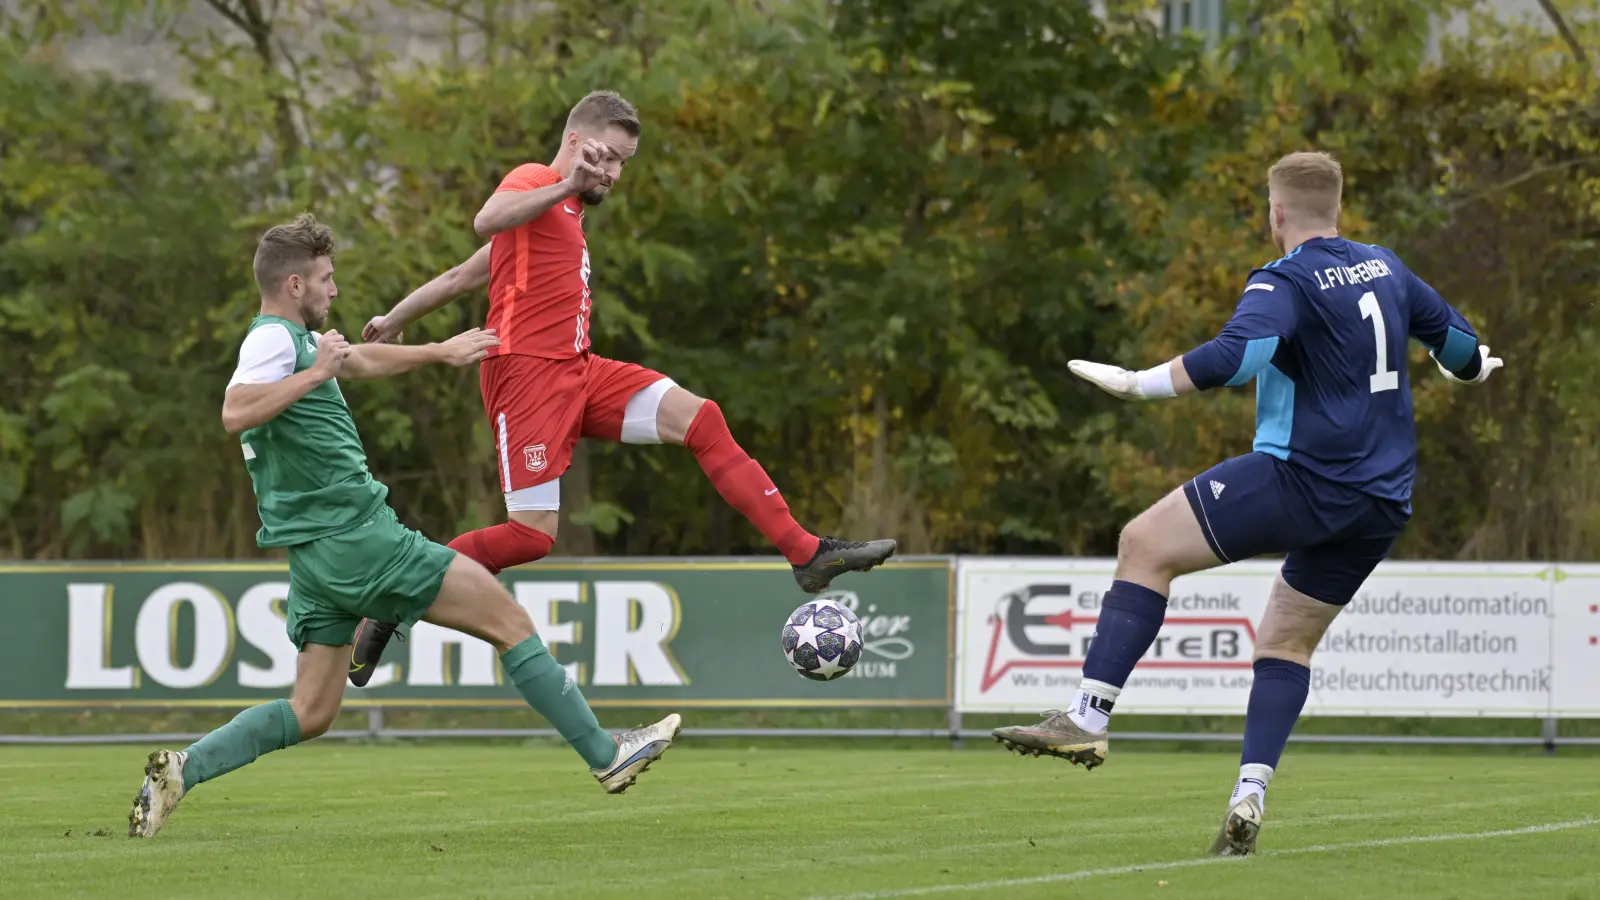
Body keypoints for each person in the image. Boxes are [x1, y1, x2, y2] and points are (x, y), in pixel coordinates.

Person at [990, 152, 1503, 856]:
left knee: (1144, 545)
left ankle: (1087, 717)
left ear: (1277, 211)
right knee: (1286, 643)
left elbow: (1239, 357)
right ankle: (1249, 796)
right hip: (1382, 501)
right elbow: (1464, 349)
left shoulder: (1285, 278)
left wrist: (1139, 383)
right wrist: (1469, 369)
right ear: (1337, 208)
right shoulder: (1386, 266)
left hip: (1306, 479)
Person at [129, 214, 680, 838]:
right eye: (325, 279)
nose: (334, 289)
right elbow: (234, 411)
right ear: (293, 284)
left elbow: (358, 360)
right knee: (509, 621)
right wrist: (317, 373)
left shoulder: (298, 343)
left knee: (311, 710)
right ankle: (607, 755)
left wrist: (438, 351)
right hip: (358, 539)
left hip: (316, 556)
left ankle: (184, 769)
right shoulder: (273, 341)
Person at [344, 90, 896, 686]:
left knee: (700, 418)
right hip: (526, 377)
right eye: (605, 157)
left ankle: (807, 554)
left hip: (578, 370)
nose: (610, 173)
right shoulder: (537, 181)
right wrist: (563, 184)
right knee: (530, 537)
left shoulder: (561, 211)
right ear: (574, 142)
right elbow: (486, 219)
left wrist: (396, 316)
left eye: (621, 163)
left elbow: (463, 274)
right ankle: (393, 596)